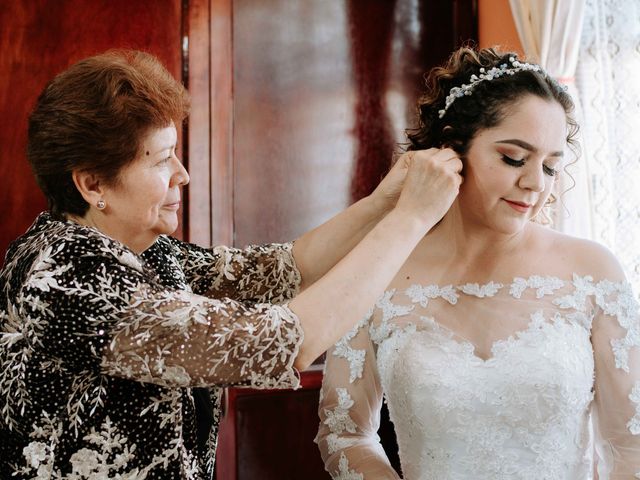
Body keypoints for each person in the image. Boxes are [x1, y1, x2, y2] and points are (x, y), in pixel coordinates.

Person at [0, 50, 463, 479]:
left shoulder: (147, 250)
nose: (182, 174)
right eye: (162, 161)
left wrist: (383, 202)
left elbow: (283, 268)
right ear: (92, 184)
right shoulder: (65, 279)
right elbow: (285, 342)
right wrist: (413, 217)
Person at [316, 46, 640, 479]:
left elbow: (629, 445)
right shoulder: (379, 271)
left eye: (549, 167)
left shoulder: (593, 272)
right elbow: (345, 434)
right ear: (452, 148)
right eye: (513, 158)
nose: (533, 184)